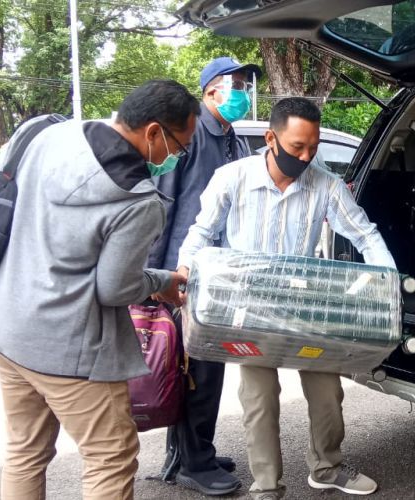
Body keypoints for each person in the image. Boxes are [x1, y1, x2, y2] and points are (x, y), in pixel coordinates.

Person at [0, 79, 197, 499]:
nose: (176, 157)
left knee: (24, 451)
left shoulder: (51, 135)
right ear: (153, 132)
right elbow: (115, 288)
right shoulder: (138, 201)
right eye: (180, 146)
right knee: (110, 456)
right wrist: (162, 282)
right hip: (68, 349)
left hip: (4, 327)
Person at [176, 97, 395, 500]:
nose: (306, 156)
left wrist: (388, 283)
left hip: (304, 308)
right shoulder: (233, 178)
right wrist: (185, 270)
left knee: (327, 392)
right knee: (259, 398)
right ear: (270, 139)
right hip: (249, 310)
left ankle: (327, 467)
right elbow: (201, 232)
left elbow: (364, 234)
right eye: (297, 147)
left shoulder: (325, 185)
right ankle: (266, 486)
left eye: (313, 147)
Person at [147, 56, 262, 496]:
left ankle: (189, 454)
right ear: (212, 89)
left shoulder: (233, 138)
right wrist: (156, 277)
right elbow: (163, 204)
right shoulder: (190, 133)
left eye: (246, 85)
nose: (243, 92)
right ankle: (193, 462)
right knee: (197, 369)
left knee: (202, 367)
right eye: (237, 84)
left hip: (221, 273)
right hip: (186, 273)